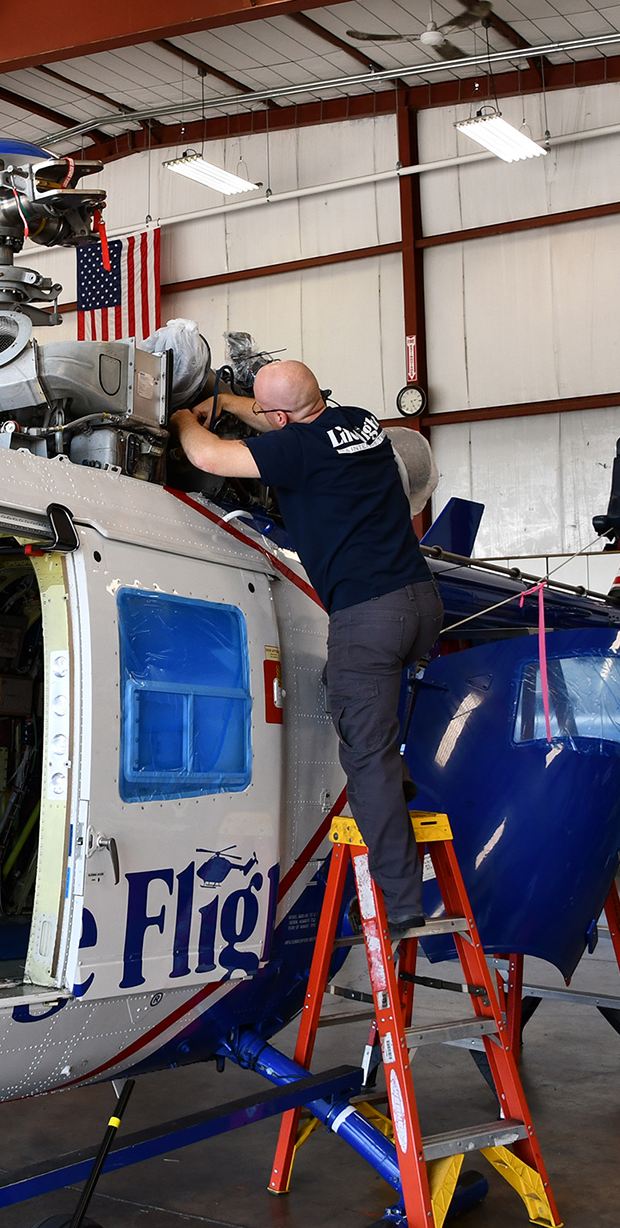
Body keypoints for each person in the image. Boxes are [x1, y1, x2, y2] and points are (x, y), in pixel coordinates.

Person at [170, 361, 443, 933]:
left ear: (281, 418)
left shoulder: (295, 451)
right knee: (345, 692)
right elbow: (277, 415)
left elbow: (208, 458)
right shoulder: (360, 422)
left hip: (369, 616)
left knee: (364, 756)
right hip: (420, 603)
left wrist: (180, 419)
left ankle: (400, 904)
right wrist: (228, 405)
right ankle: (392, 778)